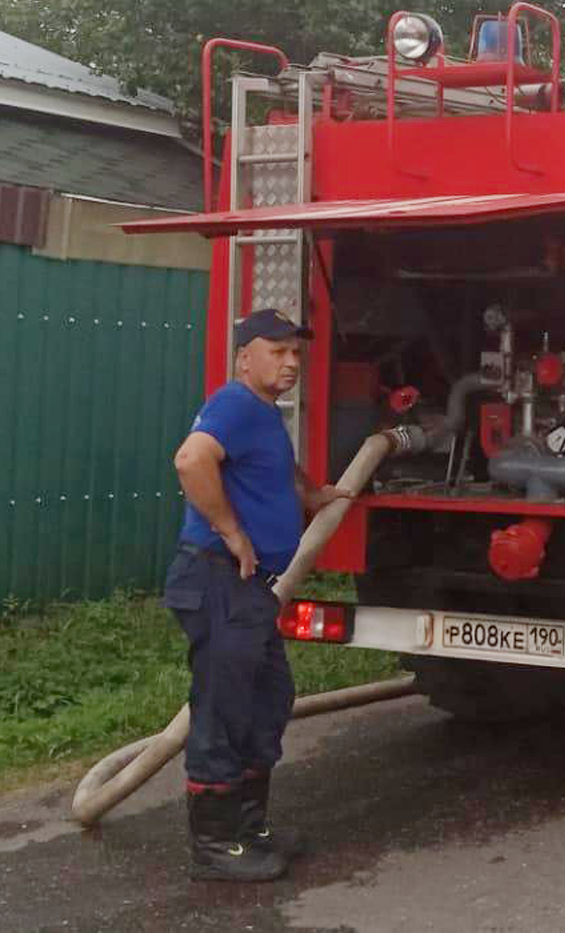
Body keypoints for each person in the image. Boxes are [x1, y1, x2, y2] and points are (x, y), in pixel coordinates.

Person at [163, 309, 349, 882]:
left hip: (247, 591)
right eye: (277, 350)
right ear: (245, 356)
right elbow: (191, 460)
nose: (291, 362)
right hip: (218, 579)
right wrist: (232, 531)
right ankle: (216, 845)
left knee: (268, 697)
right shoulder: (235, 403)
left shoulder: (264, 414)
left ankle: (249, 826)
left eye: (296, 352)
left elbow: (274, 467)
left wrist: (310, 493)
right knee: (224, 708)